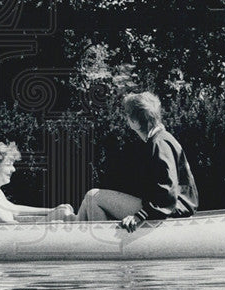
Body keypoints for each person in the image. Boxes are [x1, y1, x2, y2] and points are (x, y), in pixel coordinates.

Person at [75, 91, 198, 232]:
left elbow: (167, 191)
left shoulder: (159, 143)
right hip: (165, 206)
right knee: (87, 202)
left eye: (127, 115)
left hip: (171, 210)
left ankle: (103, 249)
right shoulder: (159, 139)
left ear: (135, 122)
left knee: (93, 197)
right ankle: (78, 244)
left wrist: (140, 216)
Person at [0, 141, 76, 223]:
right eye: (8, 165)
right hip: (5, 246)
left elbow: (15, 209)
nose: (13, 169)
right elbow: (6, 225)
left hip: (8, 244)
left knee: (62, 213)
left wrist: (52, 210)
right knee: (63, 215)